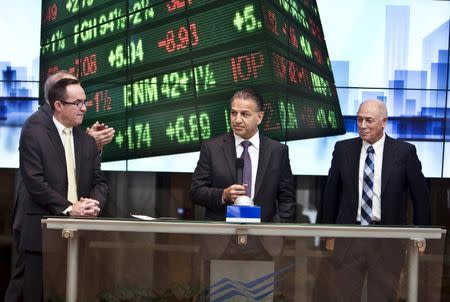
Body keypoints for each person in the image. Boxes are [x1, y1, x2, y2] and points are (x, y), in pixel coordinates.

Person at [4, 71, 114, 302]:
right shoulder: (35, 129)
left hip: (76, 231)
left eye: (85, 102)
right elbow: (35, 181)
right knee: (30, 291)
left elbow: (99, 182)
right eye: (77, 103)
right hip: (40, 228)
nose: (84, 108)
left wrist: (93, 204)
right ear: (57, 105)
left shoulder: (85, 139)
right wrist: (69, 208)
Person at [318, 99, 431, 302]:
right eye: (359, 119)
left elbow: (421, 197)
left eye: (368, 120)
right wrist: (329, 234)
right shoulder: (343, 149)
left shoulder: (405, 152)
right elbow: (330, 194)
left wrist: (422, 235)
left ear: (383, 122)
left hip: (387, 242)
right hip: (349, 238)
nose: (362, 125)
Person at [190, 88, 296, 222]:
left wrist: (280, 234)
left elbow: (286, 198)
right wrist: (224, 194)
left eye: (245, 114)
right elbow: (196, 192)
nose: (237, 120)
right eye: (234, 113)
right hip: (221, 236)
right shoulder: (211, 148)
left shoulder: (278, 151)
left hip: (263, 236)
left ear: (260, 117)